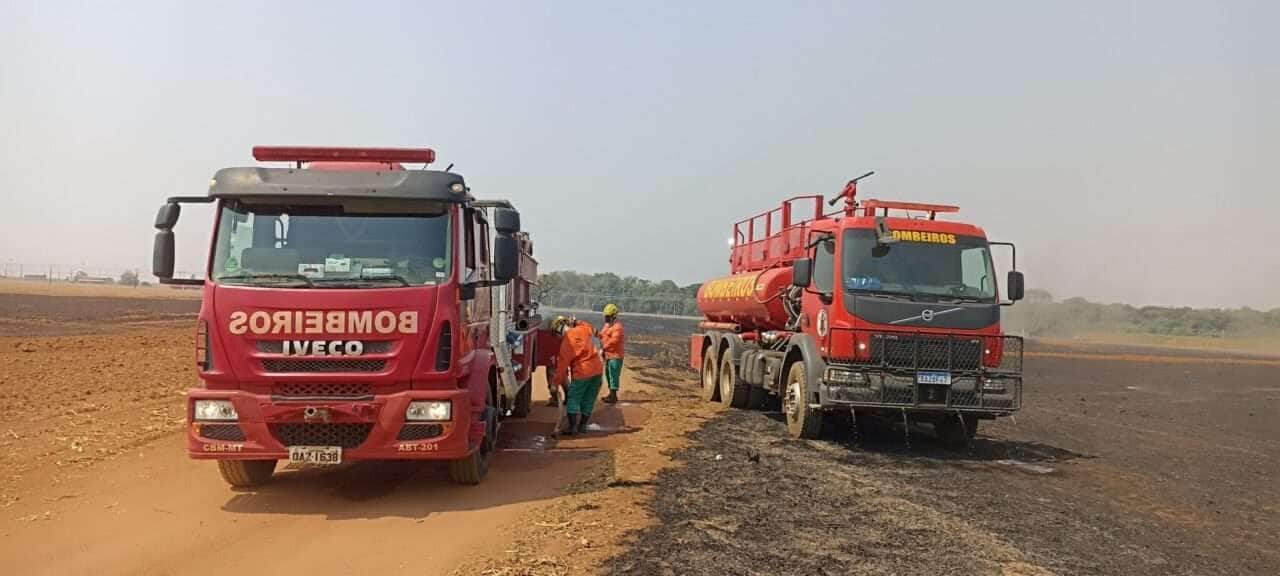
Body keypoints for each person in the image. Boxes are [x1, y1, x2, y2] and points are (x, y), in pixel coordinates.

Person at [551, 315, 604, 435]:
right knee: (589, 398)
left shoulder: (566, 343)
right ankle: (583, 426)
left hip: (582, 371)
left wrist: (555, 384)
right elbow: (591, 328)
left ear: (559, 330)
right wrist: (577, 321)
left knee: (573, 398)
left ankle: (572, 427)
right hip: (597, 369)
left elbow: (562, 368)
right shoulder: (583, 329)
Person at [598, 303, 625, 404]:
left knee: (613, 375)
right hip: (609, 355)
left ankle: (613, 396)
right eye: (605, 316)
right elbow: (602, 335)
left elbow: (613, 341)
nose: (606, 318)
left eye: (608, 316)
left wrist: (603, 349)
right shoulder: (607, 325)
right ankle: (611, 394)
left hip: (616, 356)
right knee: (608, 375)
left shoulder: (618, 327)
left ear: (614, 316)